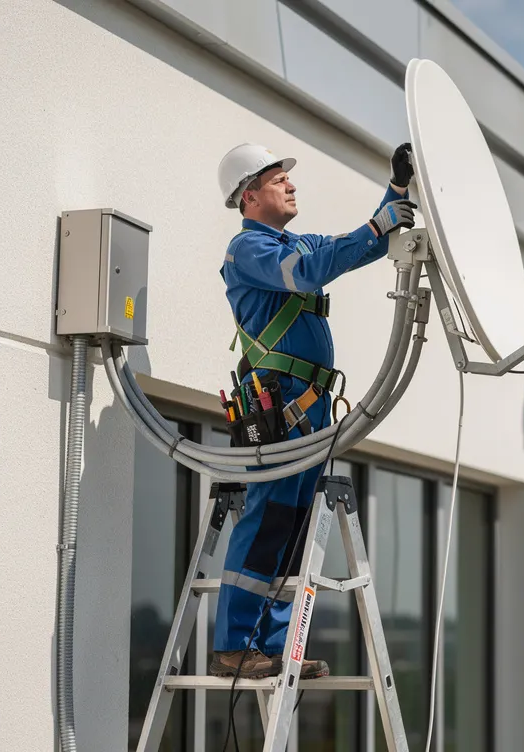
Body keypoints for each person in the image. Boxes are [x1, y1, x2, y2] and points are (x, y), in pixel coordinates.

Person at [210, 142, 418, 679]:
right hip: (281, 405)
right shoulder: (248, 249)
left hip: (310, 409)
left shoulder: (293, 241)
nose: (291, 185)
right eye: (278, 179)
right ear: (249, 195)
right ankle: (234, 644)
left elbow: (358, 246)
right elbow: (308, 271)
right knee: (267, 520)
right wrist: (376, 225)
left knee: (296, 528)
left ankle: (274, 647)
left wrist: (395, 192)